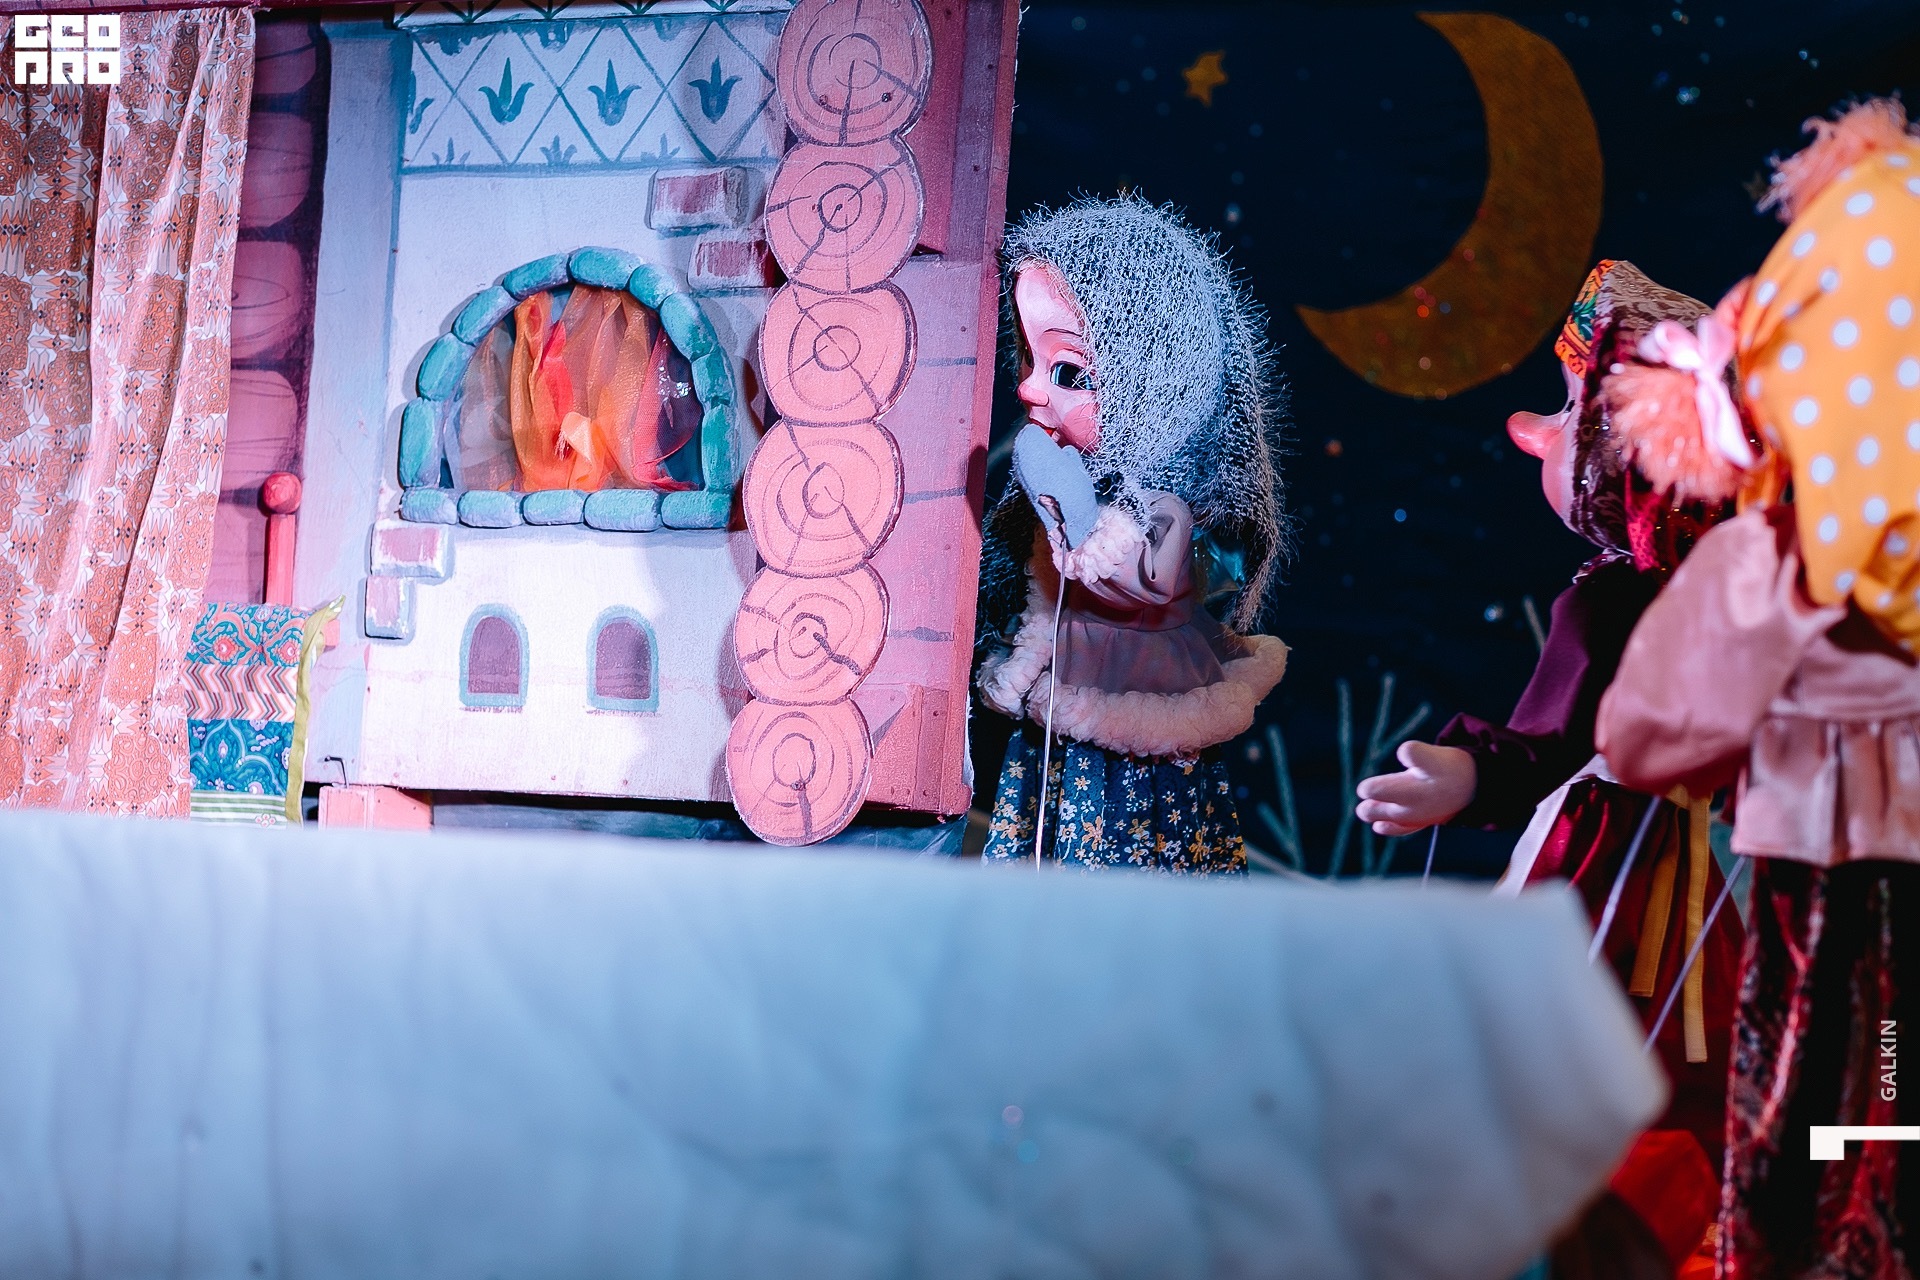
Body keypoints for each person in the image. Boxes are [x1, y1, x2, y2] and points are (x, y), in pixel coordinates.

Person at [1355, 261, 1747, 1277]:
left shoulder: (1631, 601)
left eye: (1573, 405)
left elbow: (1549, 749)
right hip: (1677, 872)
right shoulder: (1692, 597)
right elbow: (1558, 745)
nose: (1541, 429)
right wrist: (1468, 773)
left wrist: (1474, 774)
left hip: (1625, 871)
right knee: (1677, 1063)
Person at [1595, 98, 1920, 1279]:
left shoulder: (1782, 554)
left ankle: (1832, 1238)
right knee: (1894, 1108)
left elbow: (1648, 729)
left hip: (1834, 881)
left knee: (1836, 1094)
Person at [974, 195, 1288, 873]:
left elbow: (1137, 580)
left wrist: (1070, 508)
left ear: (1156, 385)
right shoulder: (1066, 484)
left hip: (1135, 725)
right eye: (1028, 360)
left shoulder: (1164, 510)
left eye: (1068, 372)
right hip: (1063, 715)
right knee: (1045, 833)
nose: (1029, 391)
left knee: (1128, 852)